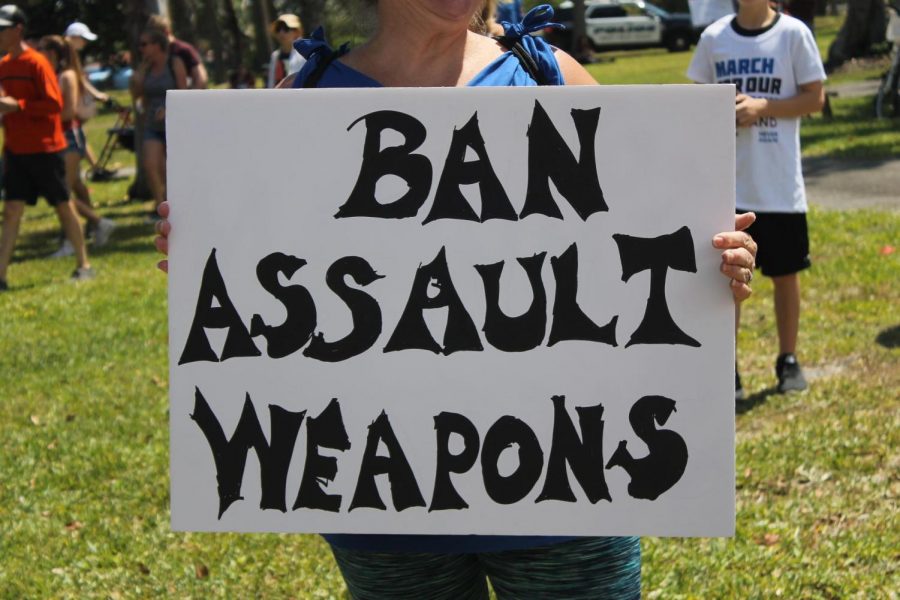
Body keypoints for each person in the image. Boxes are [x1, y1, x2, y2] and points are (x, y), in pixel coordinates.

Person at [155, 1, 758, 597]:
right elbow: (252, 306)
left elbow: (655, 274)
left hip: (574, 501)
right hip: (381, 508)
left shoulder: (553, 77)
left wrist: (711, 275)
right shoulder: (298, 103)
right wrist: (202, 250)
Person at [687, 0, 825, 399]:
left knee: (785, 275)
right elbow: (697, 103)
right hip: (727, 186)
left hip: (778, 185)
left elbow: (815, 98)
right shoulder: (715, 38)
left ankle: (788, 359)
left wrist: (763, 106)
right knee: (728, 283)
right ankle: (725, 369)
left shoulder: (792, 34)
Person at [0, 4, 94, 291]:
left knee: (64, 206)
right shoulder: (3, 66)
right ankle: (1, 275)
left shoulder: (37, 63)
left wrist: (19, 106)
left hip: (46, 149)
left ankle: (84, 264)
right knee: (12, 211)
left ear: (18, 30)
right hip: (16, 150)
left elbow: (55, 105)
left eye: (3, 28)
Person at [38, 35, 116, 258]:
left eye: (42, 48)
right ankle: (94, 228)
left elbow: (69, 112)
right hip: (58, 138)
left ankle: (86, 231)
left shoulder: (68, 76)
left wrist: (39, 118)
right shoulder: (54, 75)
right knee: (76, 189)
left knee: (63, 194)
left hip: (69, 139)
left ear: (53, 52)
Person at [130, 26, 187, 220]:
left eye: (145, 44)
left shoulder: (174, 63)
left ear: (157, 44)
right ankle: (159, 206)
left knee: (167, 170)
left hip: (173, 125)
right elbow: (137, 97)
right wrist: (137, 80)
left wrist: (169, 109)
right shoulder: (145, 69)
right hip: (152, 125)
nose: (141, 48)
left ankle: (176, 206)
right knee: (150, 164)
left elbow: (184, 94)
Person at [64, 20, 112, 179]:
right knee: (77, 134)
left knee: (79, 134)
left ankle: (94, 168)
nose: (84, 43)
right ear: (74, 37)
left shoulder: (68, 53)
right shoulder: (68, 53)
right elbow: (79, 78)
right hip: (69, 102)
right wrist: (96, 94)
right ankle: (95, 169)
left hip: (71, 101)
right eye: (82, 38)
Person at [145, 15, 207, 89]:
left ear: (166, 32)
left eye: (155, 37)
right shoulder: (152, 54)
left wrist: (189, 97)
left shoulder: (183, 50)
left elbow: (201, 77)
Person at [267, 14, 306, 88]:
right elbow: (271, 85)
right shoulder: (275, 56)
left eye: (286, 28)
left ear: (296, 32)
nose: (281, 33)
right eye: (278, 29)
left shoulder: (305, 56)